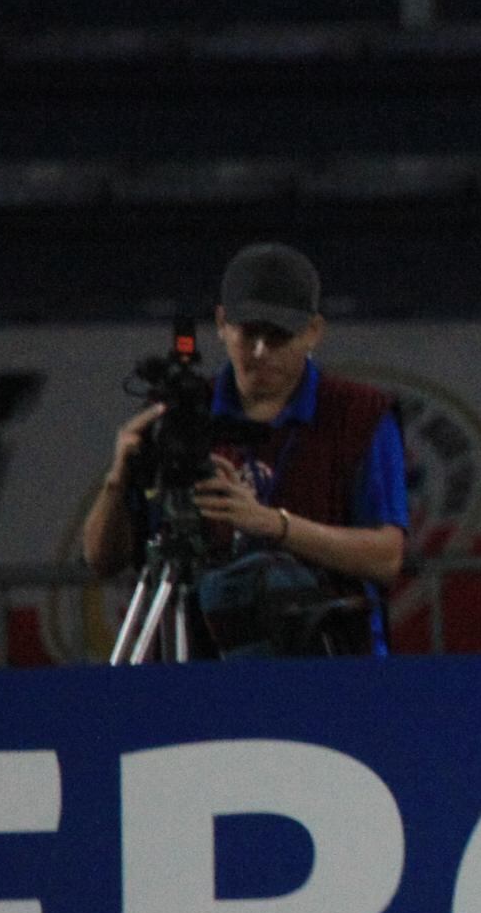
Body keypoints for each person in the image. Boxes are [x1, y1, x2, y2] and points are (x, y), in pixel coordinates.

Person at [79, 244, 412, 655]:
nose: (259, 351)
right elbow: (101, 561)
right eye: (248, 332)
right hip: (203, 659)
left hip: (330, 661)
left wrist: (272, 524)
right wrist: (118, 479)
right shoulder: (179, 415)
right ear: (221, 323)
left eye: (278, 337)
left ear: (313, 331)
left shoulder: (361, 414)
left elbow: (386, 558)